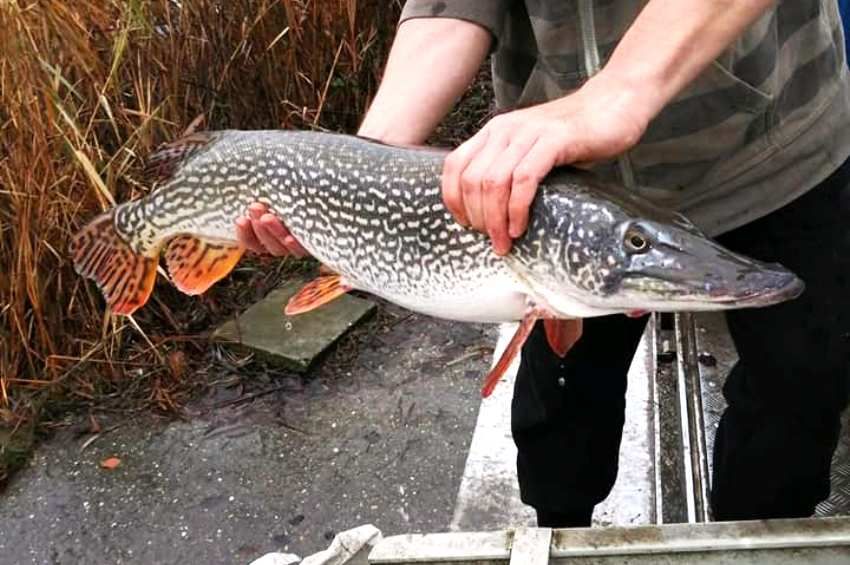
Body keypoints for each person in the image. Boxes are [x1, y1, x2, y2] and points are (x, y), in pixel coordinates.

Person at [237, 1, 850, 527]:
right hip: (561, 185)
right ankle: (559, 527)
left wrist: (615, 95)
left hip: (777, 148)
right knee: (561, 400)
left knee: (800, 385)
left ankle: (757, 541)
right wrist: (362, 168)